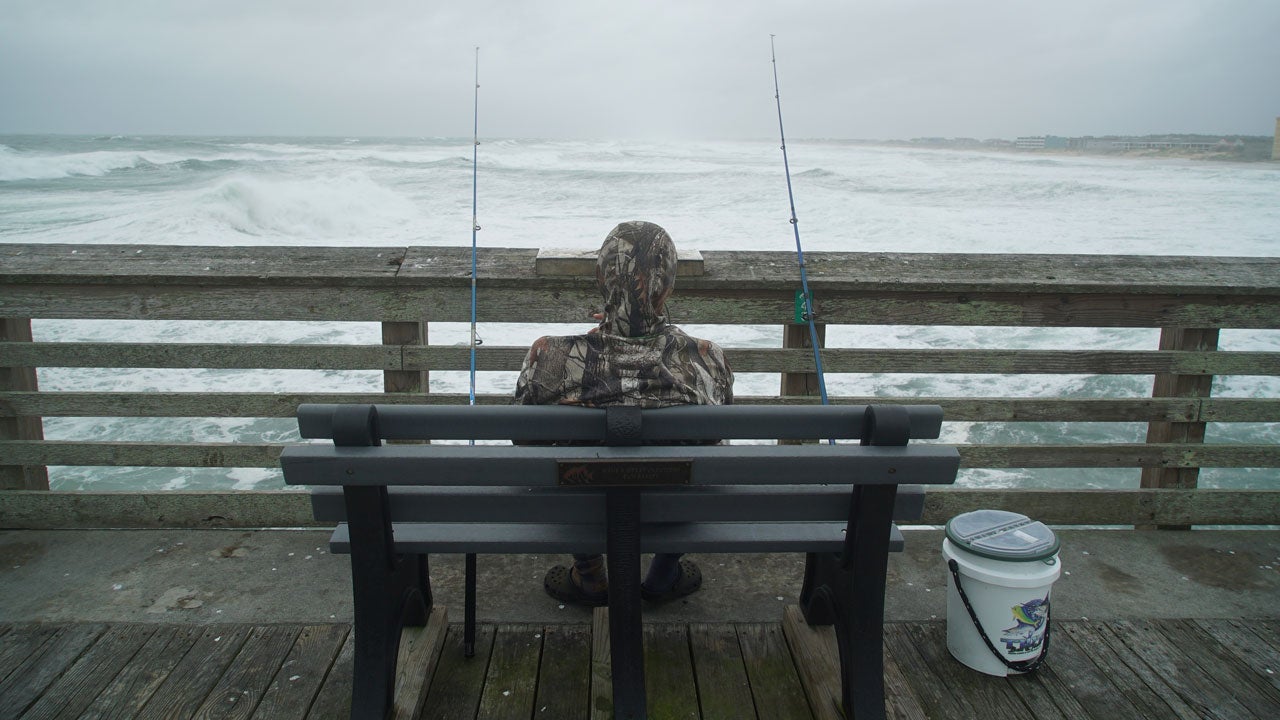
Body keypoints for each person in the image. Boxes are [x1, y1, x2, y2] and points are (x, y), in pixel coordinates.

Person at [514, 220, 734, 607]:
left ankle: (591, 576)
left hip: (579, 507)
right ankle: (663, 576)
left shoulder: (550, 355)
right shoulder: (707, 359)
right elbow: (716, 442)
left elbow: (523, 438)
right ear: (667, 286)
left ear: (601, 279)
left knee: (560, 468)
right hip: (676, 506)